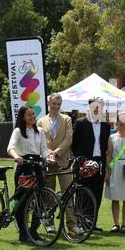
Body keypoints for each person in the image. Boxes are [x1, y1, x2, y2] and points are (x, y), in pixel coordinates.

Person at [37, 93, 82, 235]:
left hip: (64, 162)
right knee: (49, 194)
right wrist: (49, 154)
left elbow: (68, 139)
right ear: (48, 104)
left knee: (68, 194)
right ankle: (49, 223)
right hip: (48, 163)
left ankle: (72, 225)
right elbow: (40, 142)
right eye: (54, 104)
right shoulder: (40, 121)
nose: (56, 106)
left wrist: (55, 152)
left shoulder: (67, 119)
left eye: (58, 104)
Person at [7, 105, 53, 242]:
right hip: (24, 167)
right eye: (29, 115)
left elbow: (44, 150)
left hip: (37, 167)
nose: (33, 117)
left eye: (33, 114)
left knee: (40, 200)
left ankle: (33, 231)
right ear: (23, 117)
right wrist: (16, 157)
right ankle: (23, 233)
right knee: (22, 202)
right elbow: (10, 147)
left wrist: (48, 157)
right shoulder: (18, 131)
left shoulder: (40, 131)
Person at [71, 97, 111, 231]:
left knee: (97, 193)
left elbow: (105, 147)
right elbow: (74, 144)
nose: (97, 109)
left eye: (100, 106)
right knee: (83, 193)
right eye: (94, 106)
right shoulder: (80, 123)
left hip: (99, 162)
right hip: (84, 162)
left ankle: (91, 223)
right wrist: (80, 160)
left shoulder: (106, 125)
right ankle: (81, 223)